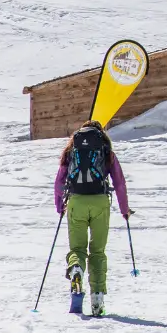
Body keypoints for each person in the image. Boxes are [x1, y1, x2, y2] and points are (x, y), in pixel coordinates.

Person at [54, 120, 130, 316]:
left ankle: (76, 269)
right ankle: (97, 298)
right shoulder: (106, 151)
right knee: (97, 252)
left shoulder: (71, 151)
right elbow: (119, 182)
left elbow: (59, 181)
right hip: (100, 203)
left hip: (76, 202)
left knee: (77, 249)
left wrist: (60, 206)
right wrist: (124, 209)